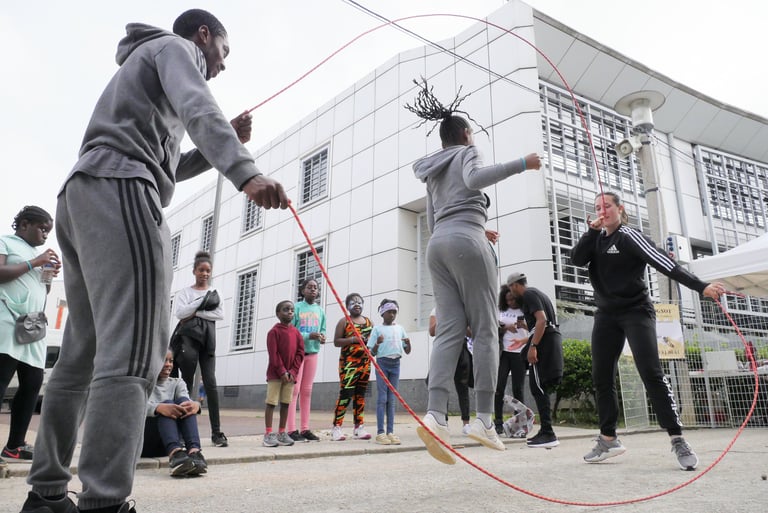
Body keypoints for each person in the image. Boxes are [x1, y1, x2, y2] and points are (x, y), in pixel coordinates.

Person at [20, 9, 289, 513]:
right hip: (122, 189)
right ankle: (104, 500)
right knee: (137, 351)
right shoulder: (176, 48)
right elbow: (198, 107)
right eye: (223, 53)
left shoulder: (143, 64)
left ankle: (47, 493)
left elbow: (170, 161)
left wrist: (216, 150)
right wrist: (245, 171)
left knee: (83, 352)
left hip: (83, 195)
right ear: (203, 36)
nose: (222, 66)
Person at [406, 77, 541, 464]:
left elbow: (435, 218)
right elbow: (474, 180)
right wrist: (522, 164)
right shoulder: (469, 153)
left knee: (448, 330)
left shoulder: (432, 170)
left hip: (439, 246)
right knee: (484, 329)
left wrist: (473, 228)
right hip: (467, 242)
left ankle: (434, 415)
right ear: (466, 134)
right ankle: (483, 418)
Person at [570, 191, 725, 471]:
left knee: (650, 372)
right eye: (597, 208)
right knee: (601, 377)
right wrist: (590, 233)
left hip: (636, 311)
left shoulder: (629, 235)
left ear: (620, 209)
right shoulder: (595, 238)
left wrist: (701, 286)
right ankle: (608, 439)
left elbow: (664, 263)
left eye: (607, 206)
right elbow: (577, 260)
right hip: (606, 314)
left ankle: (677, 439)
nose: (602, 211)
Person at [0, 207, 60, 468]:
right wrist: (35, 263)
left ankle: (14, 446)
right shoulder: (5, 242)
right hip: (7, 319)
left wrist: (47, 274)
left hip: (32, 326)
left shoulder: (36, 255)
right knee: (1, 380)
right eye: (42, 228)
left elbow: (39, 288)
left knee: (33, 381)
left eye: (48, 230)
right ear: (24, 224)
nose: (45, 234)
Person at [170, 251, 227, 447]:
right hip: (188, 341)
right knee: (184, 384)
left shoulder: (215, 292)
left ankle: (217, 432)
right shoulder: (185, 292)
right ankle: (182, 432)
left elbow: (220, 314)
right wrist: (202, 303)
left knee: (210, 384)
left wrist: (195, 311)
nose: (204, 273)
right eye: (201, 270)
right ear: (194, 271)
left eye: (208, 270)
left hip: (208, 342)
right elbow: (180, 313)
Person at [507, 272, 563, 449]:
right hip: (549, 339)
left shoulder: (529, 294)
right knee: (540, 386)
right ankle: (546, 431)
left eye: (510, 289)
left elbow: (542, 321)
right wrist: (526, 334)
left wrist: (533, 346)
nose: (511, 293)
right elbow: (538, 324)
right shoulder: (538, 293)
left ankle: (548, 432)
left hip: (544, 343)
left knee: (537, 386)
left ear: (515, 285)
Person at [142, 351, 207, 477]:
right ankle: (176, 456)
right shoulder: (143, 384)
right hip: (146, 443)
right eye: (163, 360)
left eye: (170, 361)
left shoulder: (177, 382)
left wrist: (196, 406)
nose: (168, 364)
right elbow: (134, 408)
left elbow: (187, 403)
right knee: (166, 403)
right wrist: (158, 408)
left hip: (167, 444)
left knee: (185, 402)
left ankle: (194, 453)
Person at [286, 278, 326, 442]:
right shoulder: (296, 308)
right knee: (294, 390)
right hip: (297, 354)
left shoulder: (320, 310)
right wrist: (307, 335)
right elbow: (290, 331)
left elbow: (322, 329)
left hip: (313, 354)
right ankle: (290, 429)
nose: (313, 290)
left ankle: (305, 429)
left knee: (307, 391)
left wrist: (322, 337)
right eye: (309, 287)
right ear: (302, 291)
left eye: (315, 287)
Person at [367, 299, 411, 445]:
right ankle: (380, 432)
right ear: (382, 313)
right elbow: (371, 353)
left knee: (392, 399)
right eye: (389, 312)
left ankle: (390, 432)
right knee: (382, 398)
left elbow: (407, 351)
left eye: (394, 312)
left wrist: (408, 343)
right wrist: (377, 343)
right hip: (382, 363)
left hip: (396, 363)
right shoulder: (377, 329)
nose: (392, 314)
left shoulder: (400, 328)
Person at [330, 293, 373, 441]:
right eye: (353, 302)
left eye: (360, 302)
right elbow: (336, 342)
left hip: (365, 363)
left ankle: (359, 426)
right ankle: (337, 427)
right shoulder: (344, 321)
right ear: (347, 306)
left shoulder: (368, 322)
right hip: (348, 363)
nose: (357, 304)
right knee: (346, 394)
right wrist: (353, 339)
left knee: (360, 395)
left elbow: (372, 342)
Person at [263, 301, 305, 448]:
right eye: (286, 309)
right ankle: (268, 433)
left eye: (292, 310)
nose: (290, 312)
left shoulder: (297, 333)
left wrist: (293, 371)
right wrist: (282, 371)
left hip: (291, 377)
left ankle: (282, 432)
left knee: (286, 403)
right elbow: (273, 354)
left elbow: (300, 353)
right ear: (278, 314)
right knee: (271, 403)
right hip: (276, 375)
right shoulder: (273, 332)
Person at [428, 308, 474, 436]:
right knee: (441, 384)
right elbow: (432, 331)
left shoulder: (462, 309)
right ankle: (443, 422)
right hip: (444, 347)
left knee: (462, 387)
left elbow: (470, 333)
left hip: (461, 348)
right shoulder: (436, 310)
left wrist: (461, 321)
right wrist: (445, 317)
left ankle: (466, 424)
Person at [494, 284, 529, 434]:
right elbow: (493, 327)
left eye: (513, 299)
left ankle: (518, 424)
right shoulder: (501, 310)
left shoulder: (525, 310)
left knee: (518, 389)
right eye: (507, 300)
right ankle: (498, 423)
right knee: (498, 388)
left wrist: (524, 325)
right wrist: (506, 327)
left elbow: (536, 329)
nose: (510, 303)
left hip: (520, 353)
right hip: (504, 353)